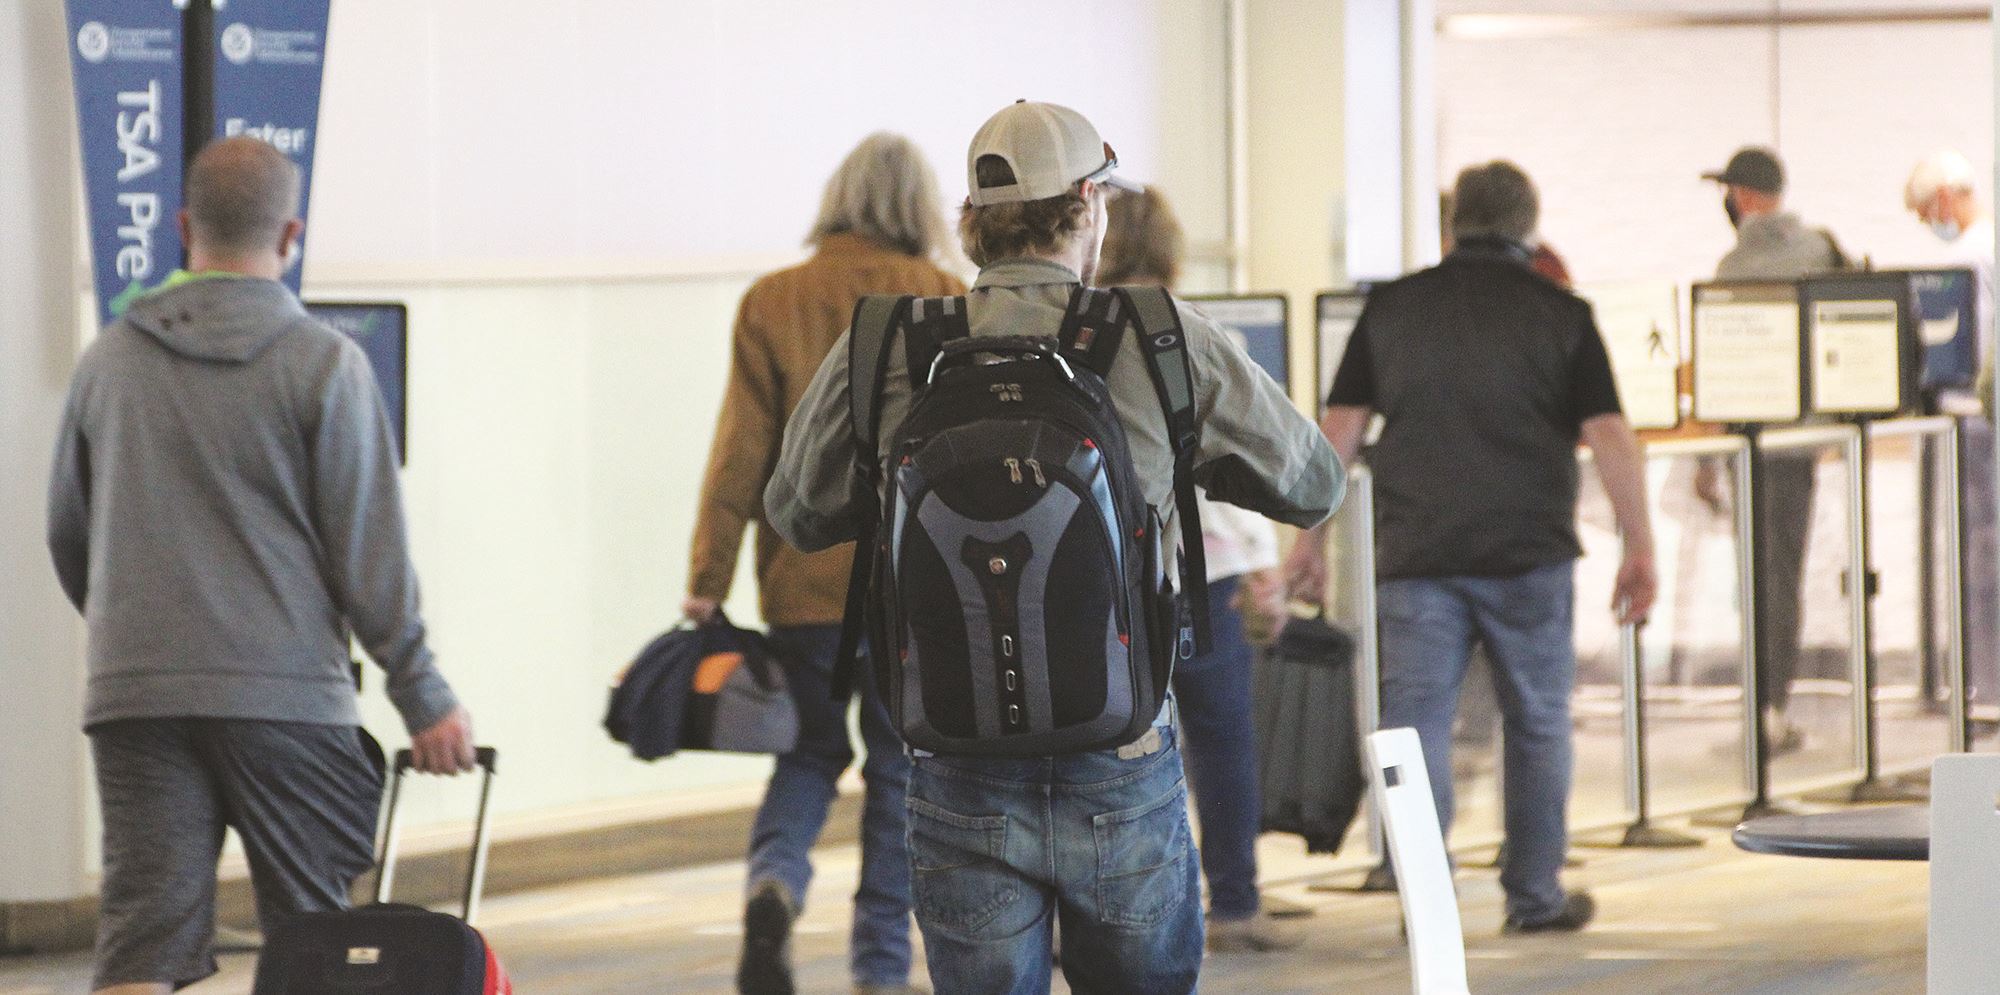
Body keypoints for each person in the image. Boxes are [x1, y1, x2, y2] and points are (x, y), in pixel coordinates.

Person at [764, 100, 1342, 994]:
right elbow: (1312, 483)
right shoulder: (1157, 337)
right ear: (1088, 204)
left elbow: (797, 511)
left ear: (972, 222)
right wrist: (1178, 453)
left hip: (954, 762)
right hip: (1118, 757)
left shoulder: (886, 344)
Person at [45, 137, 478, 995]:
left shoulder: (110, 362)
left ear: (182, 227)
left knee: (140, 941)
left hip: (137, 694)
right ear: (292, 234)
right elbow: (369, 553)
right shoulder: (325, 365)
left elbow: (69, 534)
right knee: (316, 938)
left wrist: (136, 632)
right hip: (284, 694)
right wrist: (421, 692)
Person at [1286, 160, 1656, 934]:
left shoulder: (1393, 308)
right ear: (1529, 226)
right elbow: (1611, 438)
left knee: (1415, 724)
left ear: (1453, 225)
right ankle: (1535, 895)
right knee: (1539, 722)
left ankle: (1425, 900)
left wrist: (1307, 539)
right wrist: (1639, 544)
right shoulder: (1563, 315)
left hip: (1418, 553)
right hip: (1530, 554)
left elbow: (1339, 432)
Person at [681, 132, 964, 995]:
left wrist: (707, 576)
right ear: (918, 207)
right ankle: (879, 969)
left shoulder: (775, 299)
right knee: (898, 769)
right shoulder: (947, 299)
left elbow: (743, 452)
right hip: (913, 587)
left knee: (805, 755)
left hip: (802, 580)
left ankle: (775, 882)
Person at [1098, 185, 1301, 952]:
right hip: (1206, 574)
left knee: (1113, 743)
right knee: (1221, 740)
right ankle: (1237, 903)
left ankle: (1122, 912)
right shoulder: (1201, 335)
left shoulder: (1073, 341)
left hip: (1109, 579)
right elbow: (1245, 467)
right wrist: (1264, 570)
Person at [1696, 146, 1848, 753]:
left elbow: (1717, 364)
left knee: (1758, 578)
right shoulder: (1822, 250)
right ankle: (1772, 710)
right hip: (1801, 443)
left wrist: (1708, 458)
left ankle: (1762, 708)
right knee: (1782, 577)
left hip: (1750, 441)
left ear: (1748, 196)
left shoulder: (1734, 262)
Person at [1905, 149, 1999, 729]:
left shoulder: (1967, 258)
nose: (1925, 225)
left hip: (1975, 420)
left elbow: (1964, 346)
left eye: (1923, 213)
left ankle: (1987, 686)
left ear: (1944, 199)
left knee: (1981, 551)